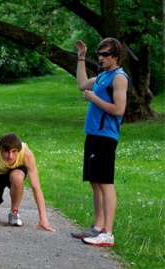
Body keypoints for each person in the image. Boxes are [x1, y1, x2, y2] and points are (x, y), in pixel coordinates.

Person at [71, 38, 129, 247]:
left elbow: (119, 110)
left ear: (116, 56)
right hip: (93, 134)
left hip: (106, 136)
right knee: (95, 182)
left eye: (105, 54)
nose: (101, 58)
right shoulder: (103, 76)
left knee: (105, 183)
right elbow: (80, 84)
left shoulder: (119, 78)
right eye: (99, 54)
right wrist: (81, 57)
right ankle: (97, 227)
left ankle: (108, 233)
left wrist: (94, 98)